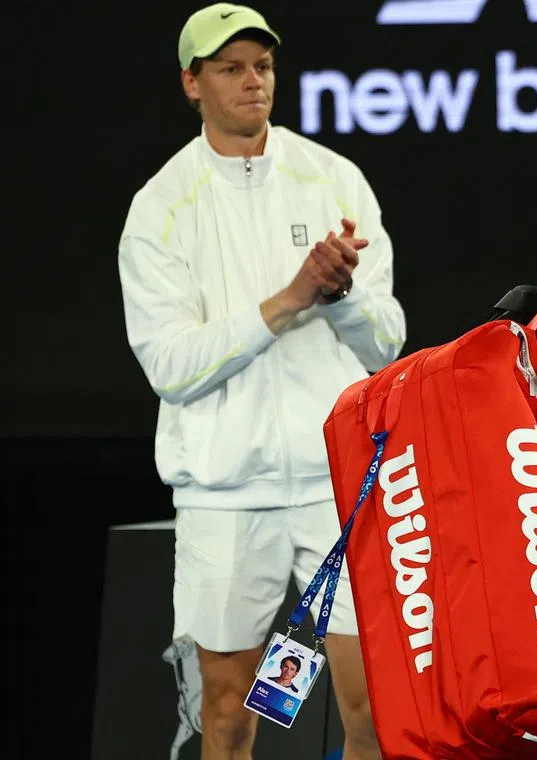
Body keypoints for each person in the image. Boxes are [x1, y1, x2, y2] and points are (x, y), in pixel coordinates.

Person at [117, 4, 405, 758]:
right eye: (231, 68)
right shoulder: (161, 209)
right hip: (224, 498)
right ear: (192, 83)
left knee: (374, 707)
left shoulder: (332, 178)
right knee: (228, 714)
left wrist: (338, 299)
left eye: (263, 66)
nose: (253, 82)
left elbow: (387, 345)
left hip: (333, 489)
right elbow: (171, 367)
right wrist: (287, 302)